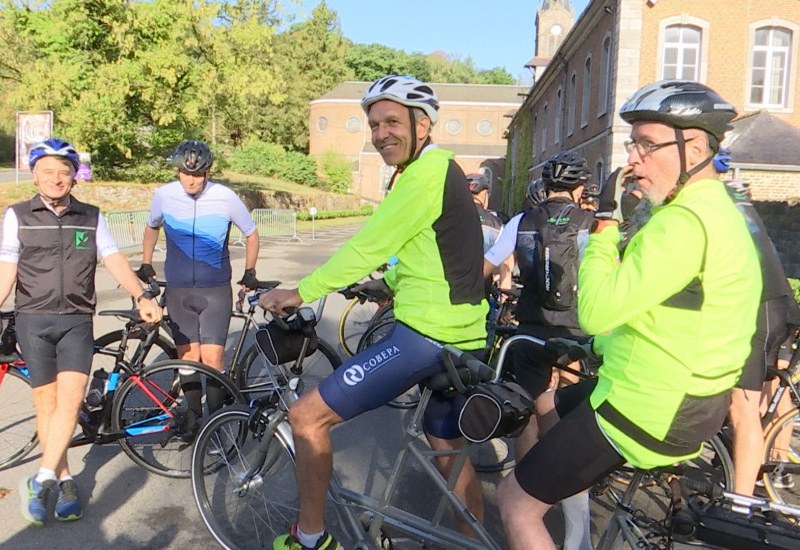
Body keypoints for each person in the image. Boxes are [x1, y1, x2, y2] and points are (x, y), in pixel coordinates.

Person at [496, 80, 762, 550]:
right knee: (547, 406)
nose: (632, 159)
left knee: (515, 500)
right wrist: (591, 346)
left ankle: (556, 495)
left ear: (694, 146)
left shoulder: (683, 223)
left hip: (650, 406)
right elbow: (670, 315)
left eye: (646, 145)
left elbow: (596, 310)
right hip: (677, 397)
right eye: (631, 144)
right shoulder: (717, 211)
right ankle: (574, 516)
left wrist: (603, 225)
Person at [259, 75, 488, 550]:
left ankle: (311, 538)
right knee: (445, 445)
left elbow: (371, 242)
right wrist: (387, 285)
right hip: (461, 335)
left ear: (422, 126)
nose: (381, 132)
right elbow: (428, 253)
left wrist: (299, 291)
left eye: (392, 122)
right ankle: (476, 541)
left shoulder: (426, 173)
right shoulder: (434, 171)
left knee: (306, 418)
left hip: (427, 335)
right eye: (373, 124)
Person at [0, 138, 161, 525]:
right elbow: (7, 269)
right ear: (35, 175)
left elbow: (113, 259)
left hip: (75, 320)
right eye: (48, 172)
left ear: (74, 177)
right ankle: (66, 478)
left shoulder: (90, 216)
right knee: (47, 406)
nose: (56, 179)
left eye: (64, 173)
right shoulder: (18, 215)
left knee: (69, 405)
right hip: (33, 321)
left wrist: (141, 294)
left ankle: (40, 481)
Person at [484, 150, 596, 550]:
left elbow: (489, 265)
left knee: (527, 410)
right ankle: (574, 520)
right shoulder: (593, 223)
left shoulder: (520, 220)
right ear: (580, 189)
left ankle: (527, 487)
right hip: (578, 330)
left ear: (545, 187)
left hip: (530, 329)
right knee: (566, 410)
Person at [138, 140, 259, 383]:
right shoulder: (164, 195)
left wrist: (250, 271)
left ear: (207, 172)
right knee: (188, 358)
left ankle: (218, 417)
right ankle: (192, 419)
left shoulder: (225, 197)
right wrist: (146, 262)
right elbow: (152, 226)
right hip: (178, 287)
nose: (191, 180)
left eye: (197, 174)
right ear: (177, 171)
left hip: (215, 288)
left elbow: (251, 232)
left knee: (213, 358)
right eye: (186, 173)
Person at [716, 171, 796, 495]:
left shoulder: (715, 207)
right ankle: (776, 471)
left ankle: (742, 502)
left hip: (761, 307)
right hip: (783, 305)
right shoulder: (740, 206)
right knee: (774, 389)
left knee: (741, 405)